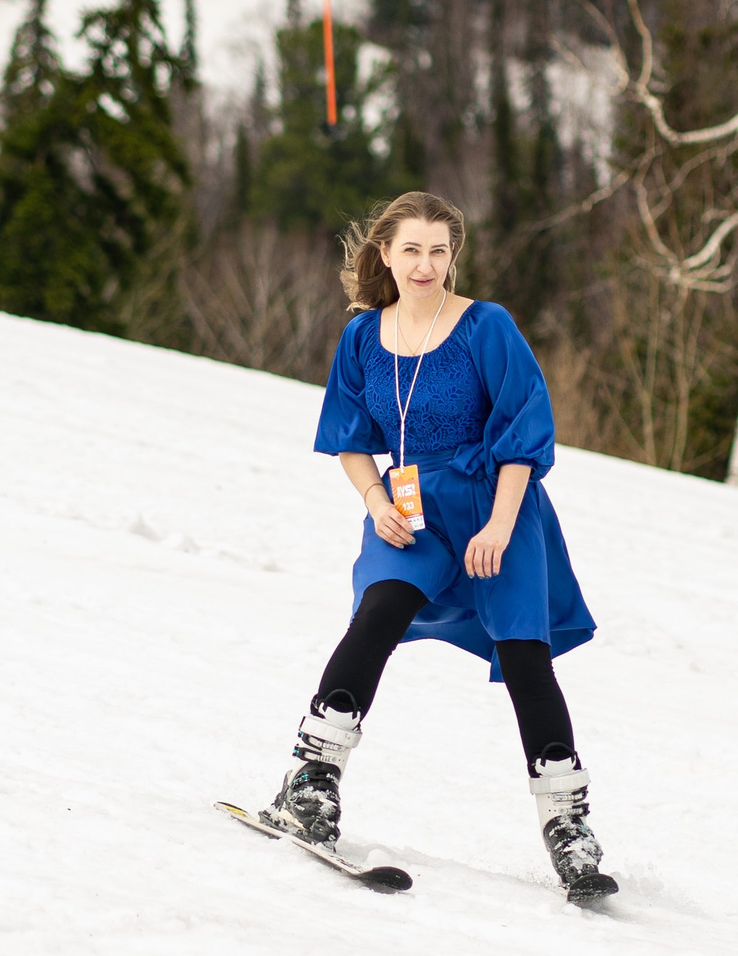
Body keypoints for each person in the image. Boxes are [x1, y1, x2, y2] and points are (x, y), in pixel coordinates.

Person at [258, 190, 617, 900]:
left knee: (524, 654)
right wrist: (375, 501)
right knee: (380, 611)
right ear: (386, 253)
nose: (425, 265)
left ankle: (568, 828)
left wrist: (501, 526)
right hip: (410, 506)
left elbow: (524, 433)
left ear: (454, 256)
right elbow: (350, 438)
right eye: (411, 250)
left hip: (496, 504)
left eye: (438, 251)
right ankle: (311, 780)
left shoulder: (487, 326)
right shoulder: (363, 338)